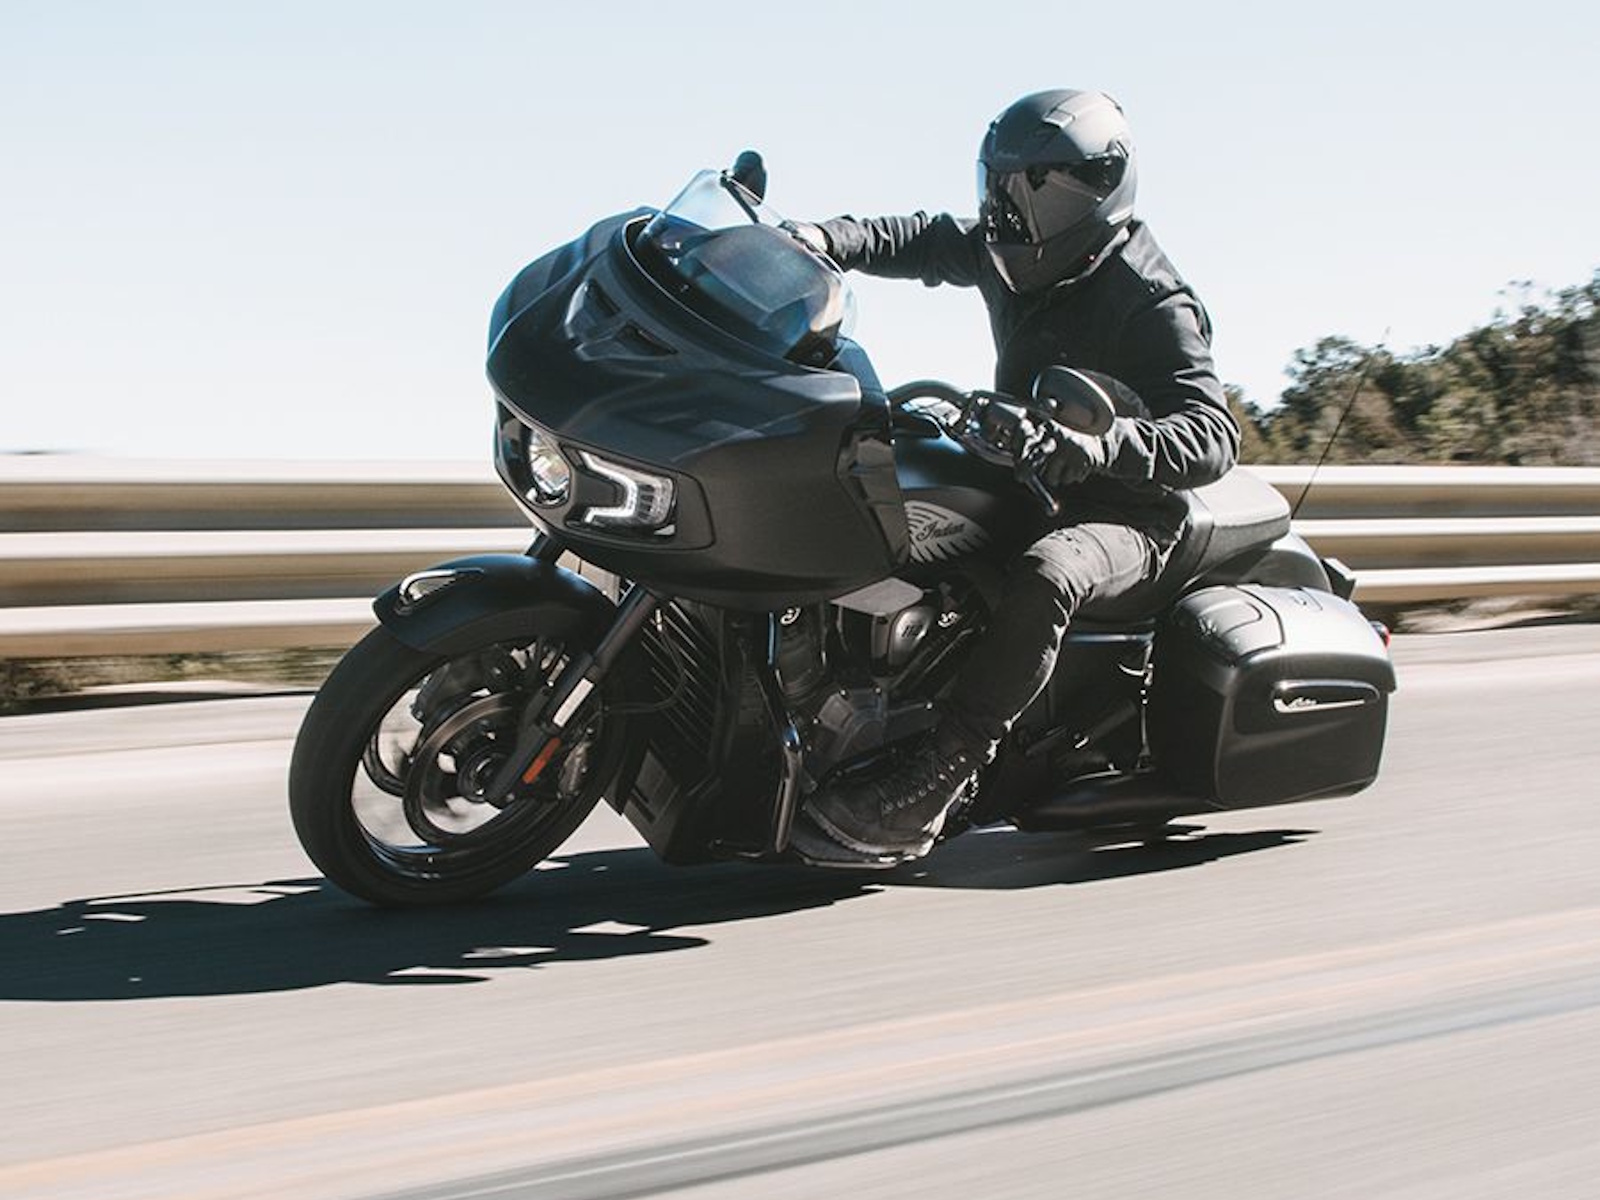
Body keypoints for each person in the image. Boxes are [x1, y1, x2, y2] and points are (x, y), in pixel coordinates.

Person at [797, 88, 1241, 859]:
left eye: (1032, 190)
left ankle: (938, 775)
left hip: (1130, 516)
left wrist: (1104, 446)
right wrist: (820, 239)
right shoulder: (1012, 252)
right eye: (998, 187)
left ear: (1092, 190)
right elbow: (922, 238)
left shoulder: (1151, 301)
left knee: (1048, 572)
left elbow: (1212, 438)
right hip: (1030, 476)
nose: (1006, 211)